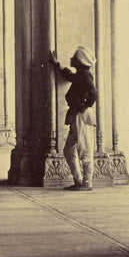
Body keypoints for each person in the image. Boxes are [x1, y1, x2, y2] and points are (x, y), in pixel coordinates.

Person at [49, 46, 98, 191]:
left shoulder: (85, 75)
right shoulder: (82, 74)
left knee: (85, 150)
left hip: (81, 116)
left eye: (74, 58)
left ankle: (86, 183)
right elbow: (70, 76)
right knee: (69, 151)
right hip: (77, 116)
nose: (71, 59)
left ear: (80, 61)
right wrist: (57, 65)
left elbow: (93, 93)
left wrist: (84, 106)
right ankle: (79, 181)